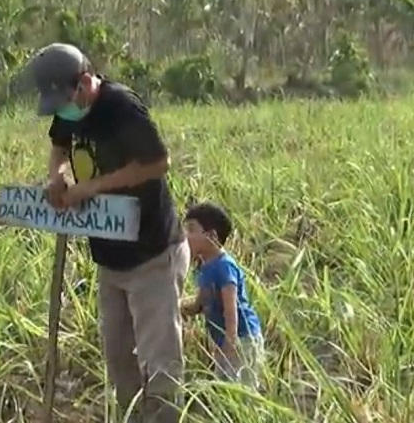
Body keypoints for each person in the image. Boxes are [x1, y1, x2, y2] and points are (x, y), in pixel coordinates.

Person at [25, 42, 190, 422]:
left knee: (159, 362)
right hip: (110, 257)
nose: (64, 111)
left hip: (151, 254)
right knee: (119, 361)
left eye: (67, 100)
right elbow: (59, 146)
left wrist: (91, 188)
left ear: (85, 82)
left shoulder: (121, 107)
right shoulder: (68, 110)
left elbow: (157, 162)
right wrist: (57, 177)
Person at [180, 202, 263, 389]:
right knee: (226, 387)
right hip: (223, 341)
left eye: (191, 229)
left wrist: (230, 342)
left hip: (242, 339)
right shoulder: (204, 267)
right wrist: (178, 307)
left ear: (212, 236)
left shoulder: (224, 266)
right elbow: (200, 304)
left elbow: (230, 307)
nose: (185, 236)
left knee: (243, 389)